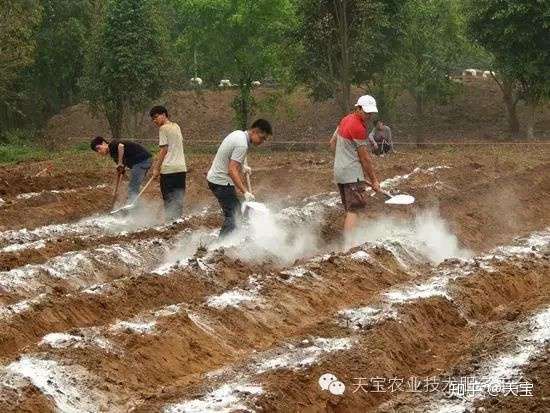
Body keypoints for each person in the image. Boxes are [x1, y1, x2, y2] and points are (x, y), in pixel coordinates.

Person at [207, 119, 272, 238]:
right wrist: (245, 191)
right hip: (221, 182)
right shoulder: (242, 144)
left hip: (216, 179)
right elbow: (231, 170)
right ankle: (221, 246)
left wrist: (242, 167)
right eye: (262, 138)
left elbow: (231, 158)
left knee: (234, 213)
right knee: (234, 215)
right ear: (255, 131)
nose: (262, 142)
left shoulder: (238, 134)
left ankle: (227, 242)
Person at [329, 95, 381, 239]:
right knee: (354, 210)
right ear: (358, 108)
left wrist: (342, 160)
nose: (369, 116)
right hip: (352, 175)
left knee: (350, 209)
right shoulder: (358, 127)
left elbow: (332, 143)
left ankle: (352, 240)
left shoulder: (345, 120)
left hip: (340, 172)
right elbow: (365, 159)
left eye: (371, 113)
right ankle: (349, 246)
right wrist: (374, 181)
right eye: (366, 112)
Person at [150, 106, 187, 222]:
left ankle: (170, 223)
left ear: (164, 114)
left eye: (156, 117)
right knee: (178, 198)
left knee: (169, 199)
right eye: (153, 119)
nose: (155, 121)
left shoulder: (163, 129)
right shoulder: (176, 126)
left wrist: (156, 168)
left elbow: (164, 150)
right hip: (181, 169)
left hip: (168, 170)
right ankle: (178, 222)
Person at [91, 136, 152, 204]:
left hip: (143, 160)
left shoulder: (113, 144)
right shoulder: (114, 156)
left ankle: (133, 206)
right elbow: (120, 172)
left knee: (133, 186)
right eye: (97, 151)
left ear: (104, 143)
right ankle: (134, 204)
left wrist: (120, 163)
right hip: (139, 163)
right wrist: (116, 190)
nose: (99, 151)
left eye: (99, 148)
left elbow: (121, 146)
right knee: (133, 185)